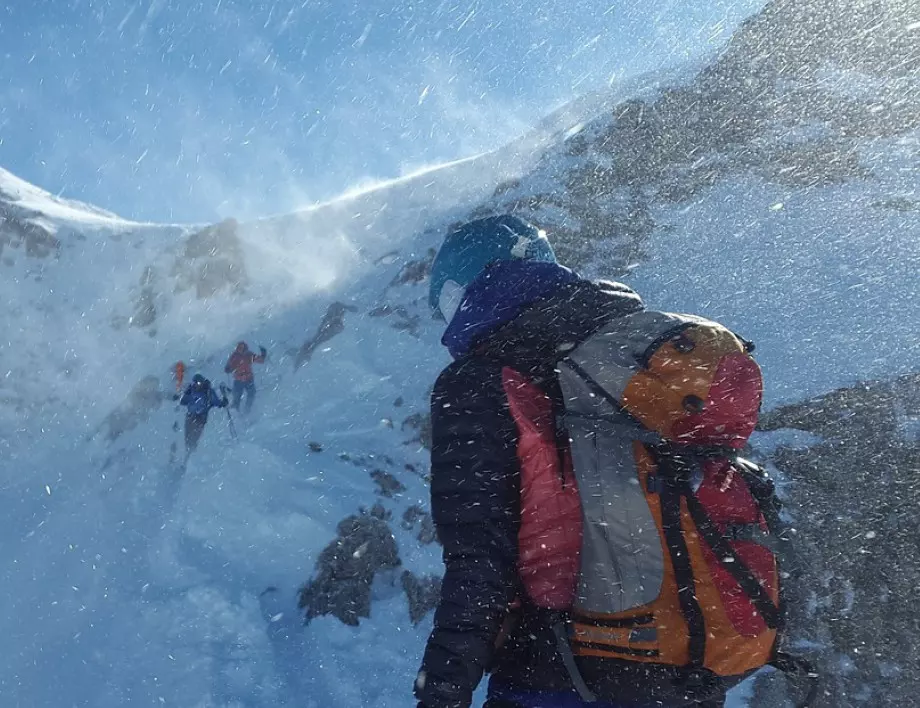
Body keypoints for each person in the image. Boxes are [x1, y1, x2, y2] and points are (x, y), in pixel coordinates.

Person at [414, 216, 747, 708]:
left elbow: (480, 559)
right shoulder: (631, 355)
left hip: (560, 667)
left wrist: (443, 688)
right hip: (681, 658)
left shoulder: (481, 380)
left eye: (445, 301)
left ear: (468, 287)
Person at [177, 374, 228, 459]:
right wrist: (182, 396)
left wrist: (223, 403)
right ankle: (188, 455)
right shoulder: (190, 390)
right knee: (188, 437)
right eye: (195, 383)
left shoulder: (208, 391)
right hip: (190, 416)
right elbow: (183, 401)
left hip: (200, 418)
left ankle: (191, 456)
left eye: (199, 383)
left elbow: (216, 402)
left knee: (195, 437)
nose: (197, 385)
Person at [224, 341, 266, 413]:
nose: (242, 351)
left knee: (251, 394)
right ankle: (236, 411)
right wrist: (228, 368)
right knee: (237, 396)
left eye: (244, 349)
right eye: (241, 349)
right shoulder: (235, 356)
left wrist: (263, 355)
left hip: (248, 379)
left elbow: (260, 360)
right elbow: (230, 366)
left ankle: (247, 410)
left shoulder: (248, 355)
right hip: (239, 379)